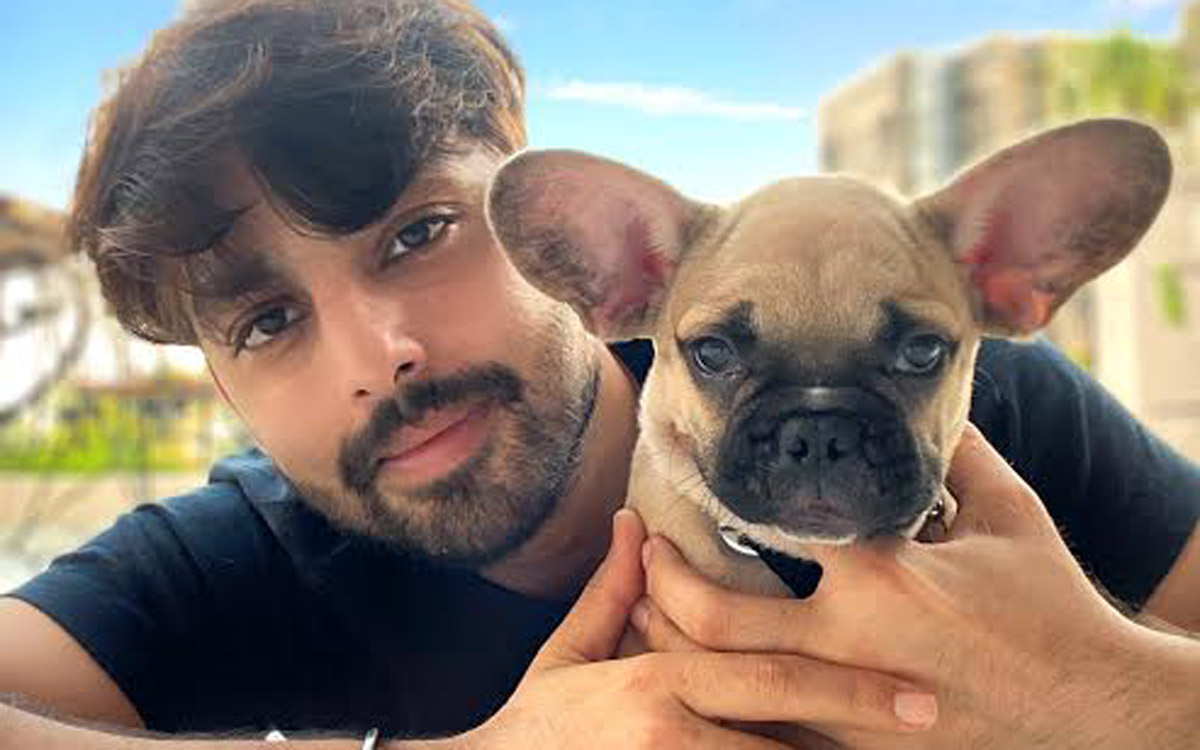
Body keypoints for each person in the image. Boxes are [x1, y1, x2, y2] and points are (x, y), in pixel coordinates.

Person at [0, 0, 1198, 747]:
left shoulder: (996, 441)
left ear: (561, 244)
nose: (382, 353)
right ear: (220, 387)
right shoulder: (225, 568)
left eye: (419, 232)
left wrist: (1116, 699)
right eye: (265, 322)